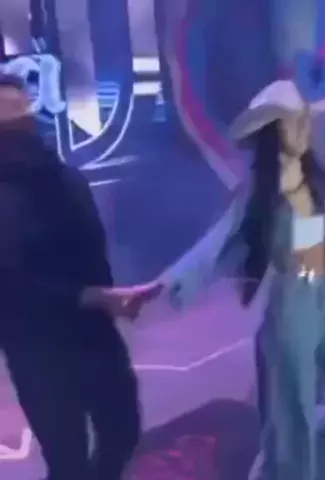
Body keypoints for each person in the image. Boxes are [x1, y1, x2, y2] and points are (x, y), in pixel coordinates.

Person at [171, 82, 325, 480]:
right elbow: (213, 245)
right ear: (273, 132)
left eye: (304, 120)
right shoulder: (259, 193)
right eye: (294, 122)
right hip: (289, 317)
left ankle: (290, 472)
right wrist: (166, 286)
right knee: (293, 432)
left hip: (321, 307)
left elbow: (310, 245)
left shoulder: (311, 180)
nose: (304, 128)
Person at [0, 74, 156, 480]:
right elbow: (11, 290)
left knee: (123, 431)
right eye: (8, 111)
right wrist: (89, 297)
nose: (20, 117)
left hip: (95, 335)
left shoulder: (68, 179)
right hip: (37, 351)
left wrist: (114, 302)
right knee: (67, 459)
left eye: (23, 106)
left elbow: (94, 252)